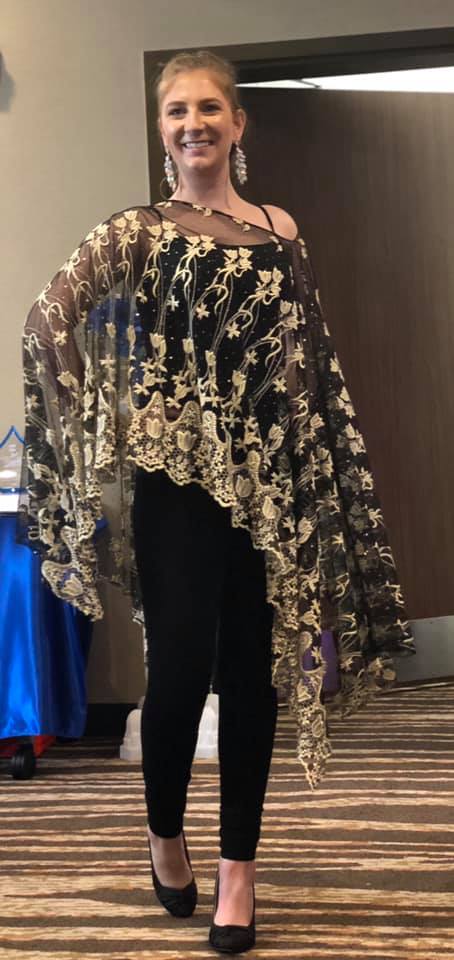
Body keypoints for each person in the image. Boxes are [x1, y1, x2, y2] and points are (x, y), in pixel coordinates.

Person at [19, 49, 415, 954]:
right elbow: (49, 319)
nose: (192, 124)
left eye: (208, 109)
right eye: (176, 112)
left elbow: (301, 364)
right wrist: (116, 419)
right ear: (162, 131)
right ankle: (165, 833)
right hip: (177, 488)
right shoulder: (140, 231)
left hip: (268, 488)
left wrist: (305, 471)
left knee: (252, 675)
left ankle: (240, 871)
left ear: (238, 124)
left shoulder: (280, 231)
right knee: (177, 674)